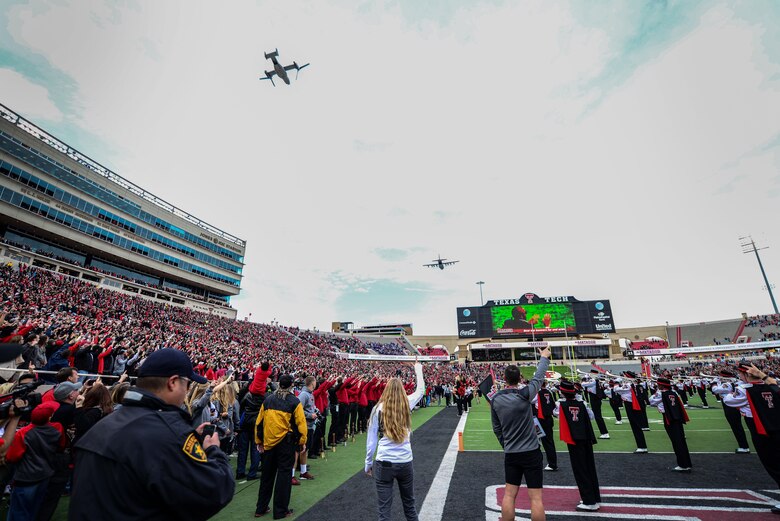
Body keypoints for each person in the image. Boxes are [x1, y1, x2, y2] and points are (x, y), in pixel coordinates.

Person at [69, 348, 235, 520]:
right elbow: (215, 491)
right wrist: (213, 450)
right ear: (173, 383)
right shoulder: (169, 432)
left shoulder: (104, 424)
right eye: (187, 384)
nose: (187, 391)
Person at [490, 347, 551, 521]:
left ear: (505, 379)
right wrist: (544, 357)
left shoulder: (496, 399)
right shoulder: (525, 394)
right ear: (519, 378)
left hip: (512, 452)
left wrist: (506, 444)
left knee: (509, 494)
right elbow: (538, 378)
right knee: (536, 498)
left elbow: (496, 428)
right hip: (531, 451)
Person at [365, 360, 425, 521]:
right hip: (405, 461)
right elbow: (420, 391)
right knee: (410, 507)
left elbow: (371, 440)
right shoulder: (407, 403)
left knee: (384, 511)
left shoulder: (377, 409)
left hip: (384, 462)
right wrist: (418, 368)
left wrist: (368, 463)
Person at [722, 363, 780, 514]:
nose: (740, 376)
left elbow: (729, 401)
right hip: (776, 426)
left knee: (773, 465)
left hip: (761, 430)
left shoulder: (745, 390)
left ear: (746, 375)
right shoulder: (772, 385)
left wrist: (729, 392)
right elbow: (774, 384)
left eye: (741, 374)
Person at [254, 374, 308, 519]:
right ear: (291, 385)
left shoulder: (268, 400)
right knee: (284, 476)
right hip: (286, 444)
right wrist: (302, 442)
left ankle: (260, 508)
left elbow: (259, 422)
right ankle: (280, 511)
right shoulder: (294, 401)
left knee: (267, 476)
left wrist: (259, 441)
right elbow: (301, 425)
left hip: (269, 444)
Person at [553, 380, 601, 511]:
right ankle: (594, 497)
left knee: (580, 470)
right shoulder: (582, 403)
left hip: (574, 438)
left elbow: (555, 413)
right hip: (586, 437)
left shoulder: (560, 404)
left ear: (562, 393)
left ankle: (589, 501)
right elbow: (591, 416)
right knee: (589, 467)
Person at [649, 378, 692, 472]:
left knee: (676, 442)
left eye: (659, 385)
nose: (658, 386)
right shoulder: (673, 392)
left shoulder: (661, 394)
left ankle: (682, 465)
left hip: (669, 418)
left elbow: (651, 401)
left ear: (662, 385)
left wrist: (655, 393)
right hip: (677, 417)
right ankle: (687, 463)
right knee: (681, 441)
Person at [710, 370, 751, 453]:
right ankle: (743, 445)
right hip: (732, 405)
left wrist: (714, 382)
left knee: (736, 426)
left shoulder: (727, 384)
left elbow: (715, 390)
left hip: (730, 406)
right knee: (737, 426)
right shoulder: (734, 382)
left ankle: (744, 447)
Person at [532, 380, 558, 471]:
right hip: (548, 418)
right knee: (547, 441)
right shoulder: (548, 392)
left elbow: (528, 399)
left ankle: (551, 464)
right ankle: (551, 462)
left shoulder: (537, 394)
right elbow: (553, 406)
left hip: (540, 420)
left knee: (541, 441)